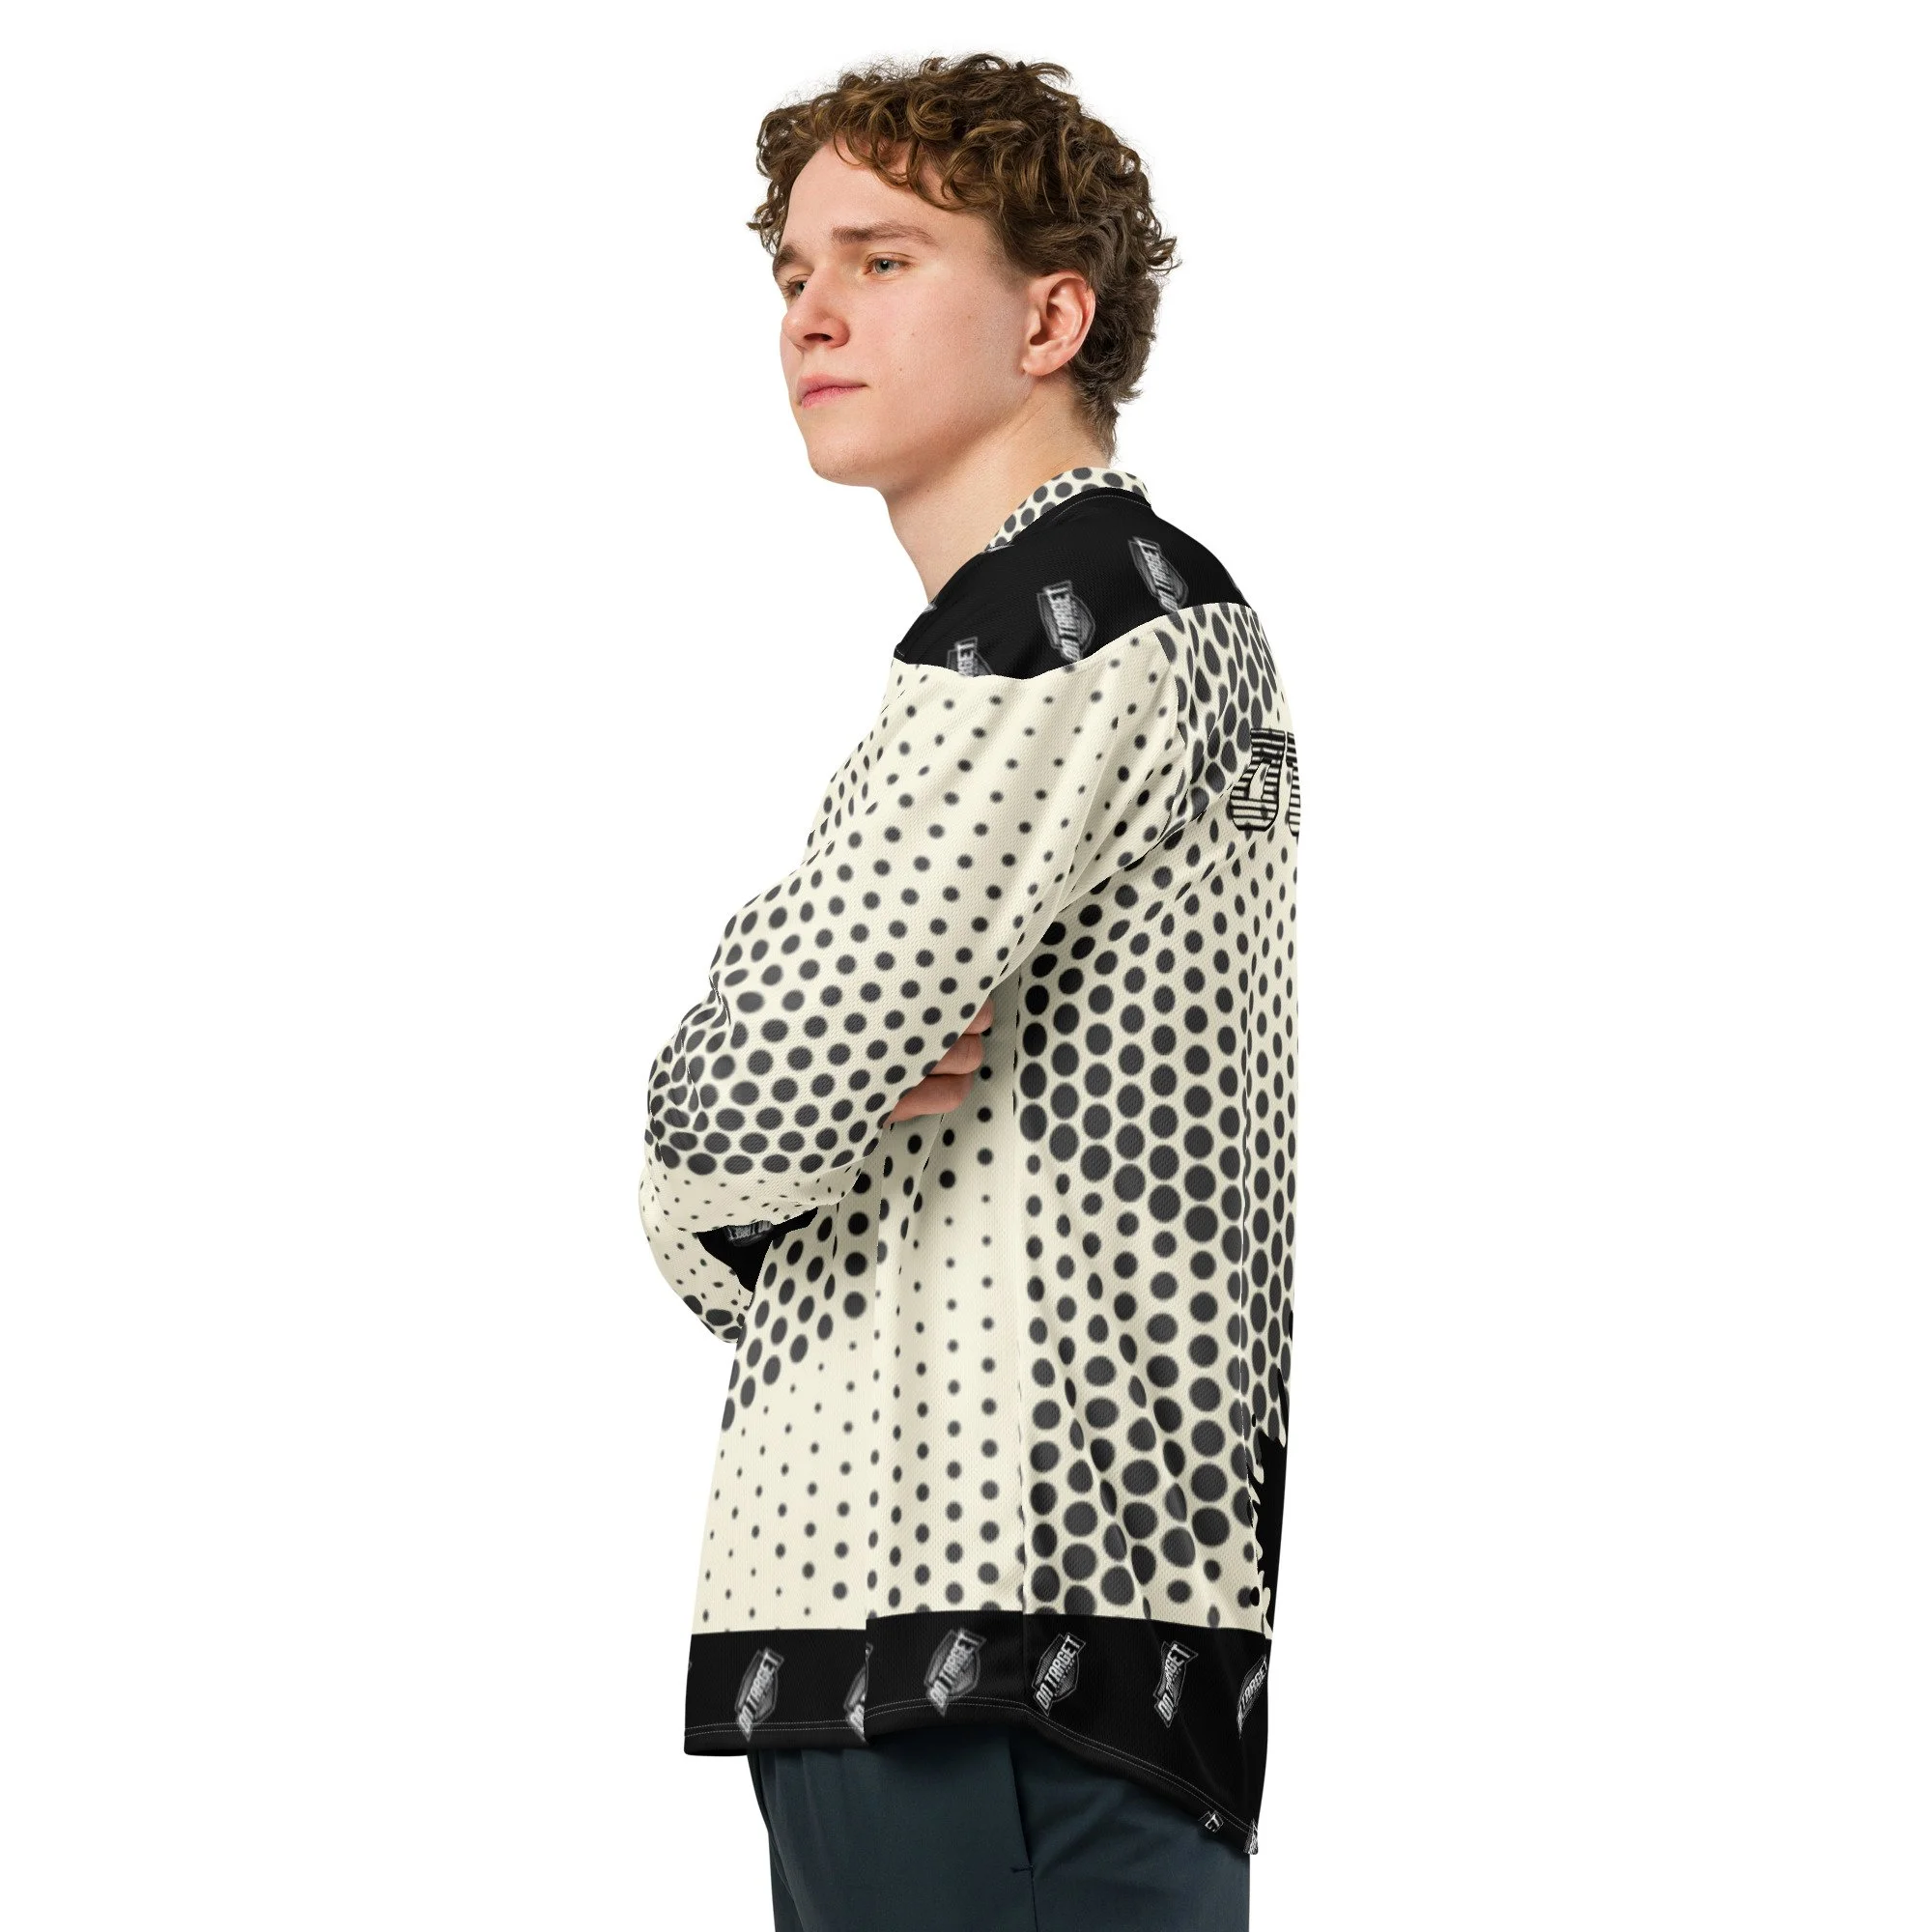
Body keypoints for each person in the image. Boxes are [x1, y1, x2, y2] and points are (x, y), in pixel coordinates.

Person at [638, 51, 1300, 1932]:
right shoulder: (1013, 644)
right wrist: (744, 1108)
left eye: (883, 257)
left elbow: (739, 1106)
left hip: (998, 1656)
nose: (810, 310)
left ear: (1050, 318)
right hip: (932, 1659)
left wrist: (717, 1116)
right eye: (792, 270)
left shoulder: (1074, 624)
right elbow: (748, 1132)